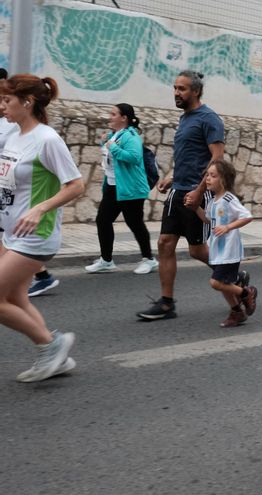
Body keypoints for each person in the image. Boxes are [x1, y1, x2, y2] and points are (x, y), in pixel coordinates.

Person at [0, 74, 84, 382]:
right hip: (10, 232)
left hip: (37, 235)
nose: (2, 106)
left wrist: (40, 207)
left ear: (28, 102)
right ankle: (55, 358)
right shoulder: (11, 134)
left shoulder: (47, 139)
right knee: (15, 300)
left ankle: (53, 344)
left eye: (6, 100)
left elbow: (76, 185)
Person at [137, 70, 226, 321]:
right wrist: (172, 177)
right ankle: (167, 303)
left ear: (195, 91)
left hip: (196, 193)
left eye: (182, 89)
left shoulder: (209, 119)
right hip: (178, 190)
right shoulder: (186, 118)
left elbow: (216, 158)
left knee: (198, 251)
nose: (176, 93)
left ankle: (231, 274)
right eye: (175, 88)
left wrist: (200, 191)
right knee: (165, 243)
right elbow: (189, 156)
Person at [84, 103, 158, 274]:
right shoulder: (115, 134)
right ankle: (106, 261)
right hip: (112, 186)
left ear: (124, 118)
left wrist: (113, 147)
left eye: (113, 114)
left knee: (135, 223)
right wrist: (107, 141)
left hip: (130, 188)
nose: (109, 117)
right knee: (103, 220)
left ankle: (149, 260)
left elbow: (133, 157)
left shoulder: (131, 136)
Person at [195, 160, 257, 327]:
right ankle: (237, 312)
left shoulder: (229, 199)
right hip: (217, 249)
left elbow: (247, 216)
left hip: (229, 250)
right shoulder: (213, 200)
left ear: (223, 179)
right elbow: (208, 220)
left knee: (216, 283)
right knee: (225, 284)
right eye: (207, 175)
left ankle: (246, 292)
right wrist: (195, 208)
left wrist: (228, 227)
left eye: (213, 176)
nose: (208, 178)